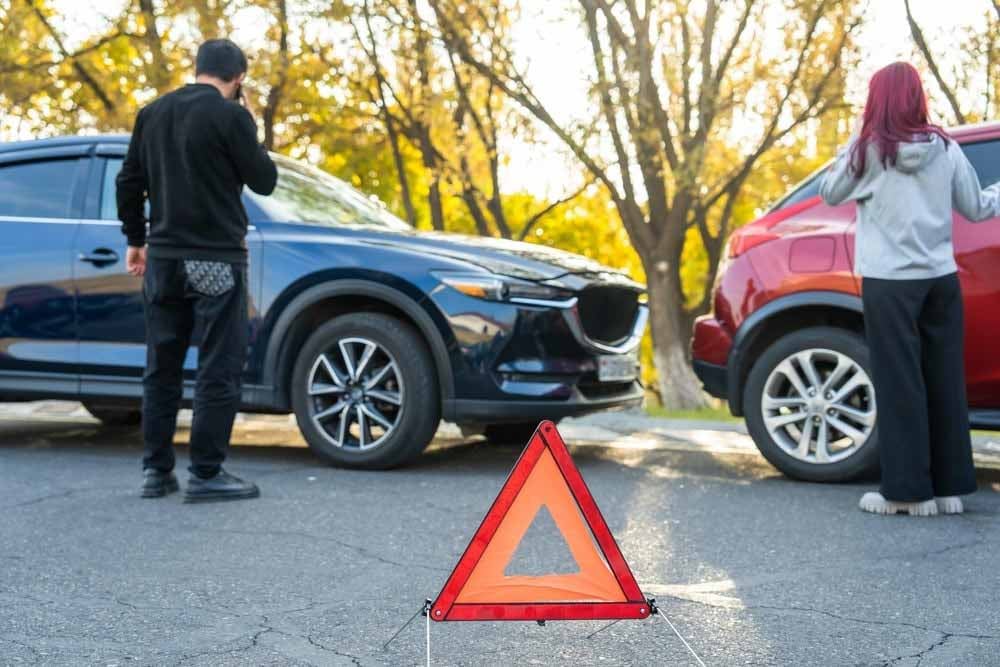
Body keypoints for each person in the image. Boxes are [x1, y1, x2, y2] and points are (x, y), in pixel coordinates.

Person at [820, 62, 1000, 516]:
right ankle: (948, 490)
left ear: (876, 101)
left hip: (889, 284)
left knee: (900, 384)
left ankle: (905, 492)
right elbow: (977, 209)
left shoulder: (868, 153)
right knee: (944, 382)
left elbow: (830, 192)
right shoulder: (944, 147)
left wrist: (854, 145)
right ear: (918, 97)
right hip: (940, 280)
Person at [117, 39, 277, 503]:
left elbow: (128, 181)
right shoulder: (231, 116)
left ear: (199, 68)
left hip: (163, 261)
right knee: (217, 365)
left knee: (161, 365)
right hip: (215, 260)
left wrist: (135, 240)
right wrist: (249, 123)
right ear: (238, 77)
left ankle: (156, 472)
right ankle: (206, 474)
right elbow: (264, 179)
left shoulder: (153, 113)